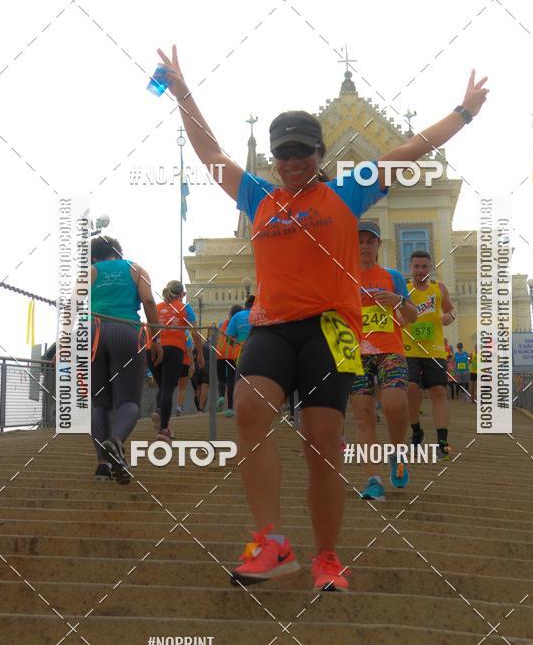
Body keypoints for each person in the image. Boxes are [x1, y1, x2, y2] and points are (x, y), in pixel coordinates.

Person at [157, 43, 488, 592]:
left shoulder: (346, 193)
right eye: (283, 153)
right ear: (273, 157)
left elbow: (412, 148)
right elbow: (210, 151)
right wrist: (183, 92)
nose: (293, 163)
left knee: (322, 440)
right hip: (272, 327)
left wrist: (465, 112)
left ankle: (328, 557)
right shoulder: (258, 196)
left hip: (330, 331)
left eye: (303, 153)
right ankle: (271, 542)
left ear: (320, 153)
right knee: (247, 412)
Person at [350, 220, 417, 501]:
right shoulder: (343, 277)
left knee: (394, 405)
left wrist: (398, 301)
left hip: (390, 349)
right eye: (360, 241)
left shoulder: (392, 276)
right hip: (356, 353)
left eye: (370, 241)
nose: (365, 245)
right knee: (364, 415)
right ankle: (373, 480)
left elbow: (413, 316)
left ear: (378, 245)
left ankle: (397, 452)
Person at [90, 236, 162, 483]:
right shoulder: (136, 269)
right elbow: (149, 301)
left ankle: (102, 465)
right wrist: (156, 338)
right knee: (128, 400)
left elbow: (72, 308)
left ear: (94, 257)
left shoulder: (90, 272)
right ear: (119, 253)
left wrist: (64, 345)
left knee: (100, 403)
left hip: (92, 333)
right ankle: (116, 441)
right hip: (126, 331)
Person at [404, 250, 456, 459]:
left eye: (424, 266)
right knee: (410, 389)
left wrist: (449, 317)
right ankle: (416, 431)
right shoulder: (404, 289)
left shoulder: (439, 288)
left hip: (434, 349)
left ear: (430, 268)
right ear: (410, 267)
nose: (420, 271)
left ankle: (443, 442)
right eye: (416, 266)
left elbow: (450, 310)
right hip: (409, 347)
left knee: (438, 392)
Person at [149, 280, 203, 439]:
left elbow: (149, 329)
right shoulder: (185, 308)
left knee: (162, 387)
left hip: (151, 349)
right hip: (173, 349)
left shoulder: (157, 307)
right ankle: (164, 429)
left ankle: (159, 410)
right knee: (167, 389)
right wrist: (200, 354)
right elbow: (195, 333)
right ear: (181, 294)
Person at [223, 295, 255, 417]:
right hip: (256, 349)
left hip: (239, 351)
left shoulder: (237, 316)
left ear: (245, 306)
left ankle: (230, 408)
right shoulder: (261, 315)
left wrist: (236, 344)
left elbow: (228, 337)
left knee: (233, 379)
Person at [216, 304, 243, 414]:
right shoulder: (238, 324)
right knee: (231, 380)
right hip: (231, 354)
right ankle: (230, 408)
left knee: (221, 379)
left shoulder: (222, 324)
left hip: (220, 353)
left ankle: (221, 396)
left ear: (230, 314)